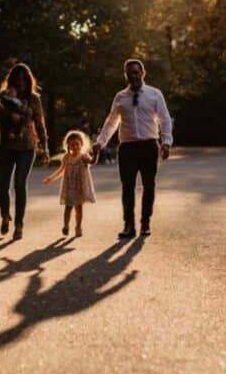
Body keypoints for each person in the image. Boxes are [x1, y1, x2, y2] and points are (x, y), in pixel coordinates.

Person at [93, 58, 172, 240]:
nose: (133, 76)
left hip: (149, 145)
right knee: (127, 187)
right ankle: (129, 225)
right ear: (126, 75)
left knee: (149, 185)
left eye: (136, 72)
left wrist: (166, 142)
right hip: (127, 148)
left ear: (143, 73)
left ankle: (145, 222)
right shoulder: (120, 97)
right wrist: (100, 142)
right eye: (130, 73)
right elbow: (111, 122)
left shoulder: (154, 94)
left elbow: (165, 119)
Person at [0, 63, 49, 240]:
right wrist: (8, 114)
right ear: (12, 79)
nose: (21, 81)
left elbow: (40, 124)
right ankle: (5, 215)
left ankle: (19, 224)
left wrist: (44, 148)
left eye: (24, 78)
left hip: (27, 146)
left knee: (20, 184)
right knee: (2, 185)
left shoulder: (34, 99)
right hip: (7, 145)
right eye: (18, 78)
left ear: (29, 80)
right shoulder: (5, 95)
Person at [43, 130, 97, 237]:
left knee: (78, 209)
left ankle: (78, 227)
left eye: (77, 144)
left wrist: (96, 153)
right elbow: (61, 170)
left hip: (79, 187)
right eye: (72, 145)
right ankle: (66, 226)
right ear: (68, 146)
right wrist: (51, 178)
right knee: (68, 208)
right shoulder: (66, 157)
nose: (75, 147)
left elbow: (92, 162)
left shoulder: (84, 156)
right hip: (69, 187)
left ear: (81, 144)